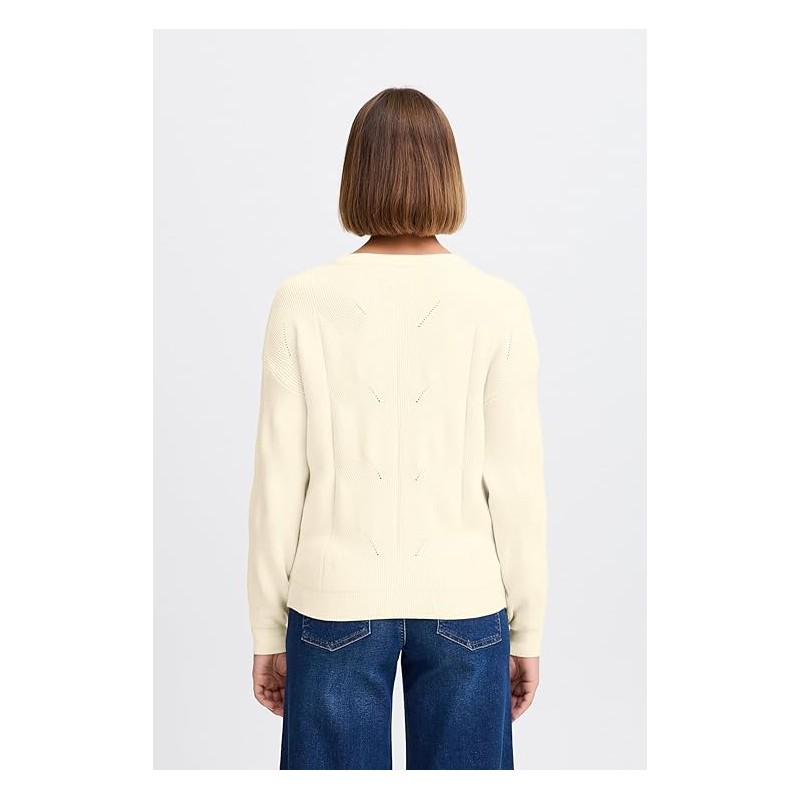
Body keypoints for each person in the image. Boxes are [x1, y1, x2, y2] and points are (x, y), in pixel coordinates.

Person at [247, 87, 548, 770]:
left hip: (332, 602)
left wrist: (268, 627)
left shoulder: (301, 302)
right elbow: (519, 487)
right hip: (466, 600)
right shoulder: (498, 305)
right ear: (448, 174)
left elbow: (277, 481)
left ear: (356, 175)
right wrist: (526, 630)